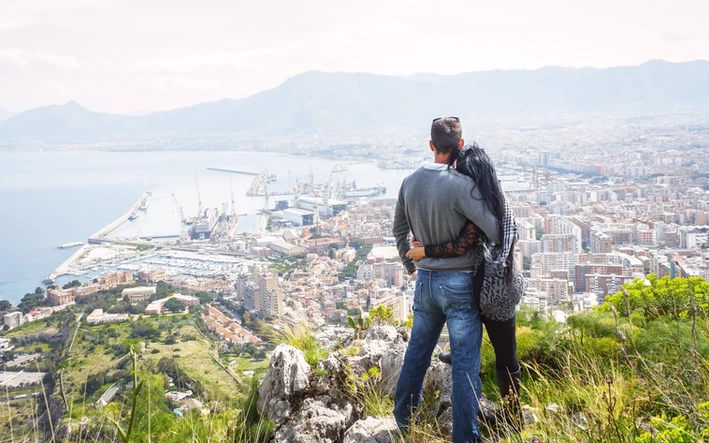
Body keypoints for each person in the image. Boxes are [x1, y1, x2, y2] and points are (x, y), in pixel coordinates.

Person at [393, 117, 501, 443]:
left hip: (425, 281)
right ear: (461, 145)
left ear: (431, 145)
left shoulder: (409, 183)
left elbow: (399, 230)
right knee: (465, 364)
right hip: (459, 283)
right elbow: (496, 230)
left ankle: (402, 422)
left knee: (417, 353)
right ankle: (465, 437)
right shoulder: (461, 186)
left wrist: (411, 266)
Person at [406, 144, 522, 430]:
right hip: (500, 284)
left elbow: (460, 245)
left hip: (494, 290)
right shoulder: (497, 200)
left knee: (504, 355)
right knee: (502, 351)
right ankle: (510, 413)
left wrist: (424, 252)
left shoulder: (478, 207)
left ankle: (512, 416)